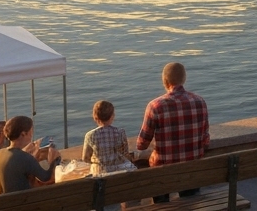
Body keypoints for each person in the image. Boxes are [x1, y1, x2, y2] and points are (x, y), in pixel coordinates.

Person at [137, 62, 209, 202]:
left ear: (165, 81)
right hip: (192, 169)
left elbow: (142, 144)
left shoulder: (155, 106)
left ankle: (161, 204)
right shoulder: (200, 101)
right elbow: (206, 140)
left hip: (164, 171)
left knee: (149, 164)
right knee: (189, 195)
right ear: (184, 79)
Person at [0, 115, 57, 194]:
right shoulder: (25, 158)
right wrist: (53, 160)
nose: (31, 136)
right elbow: (45, 177)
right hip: (21, 203)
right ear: (23, 134)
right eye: (31, 132)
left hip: (2, 203)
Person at [83, 100, 134, 177]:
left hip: (100, 172)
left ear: (95, 116)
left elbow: (85, 158)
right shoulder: (120, 132)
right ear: (112, 116)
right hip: (120, 170)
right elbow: (125, 153)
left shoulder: (90, 135)